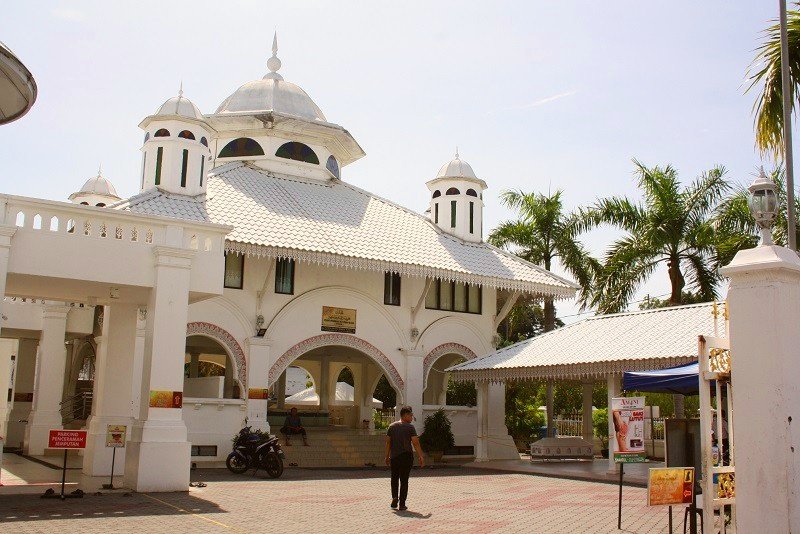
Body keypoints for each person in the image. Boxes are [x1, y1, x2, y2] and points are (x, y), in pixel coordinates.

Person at [385, 406, 425, 511]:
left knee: (394, 478)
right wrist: (421, 456)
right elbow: (415, 443)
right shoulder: (410, 427)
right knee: (404, 480)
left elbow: (388, 442)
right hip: (406, 456)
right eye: (411, 415)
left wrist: (387, 456)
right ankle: (402, 504)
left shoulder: (391, 426)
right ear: (405, 415)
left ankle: (394, 497)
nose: (412, 417)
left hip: (394, 456)